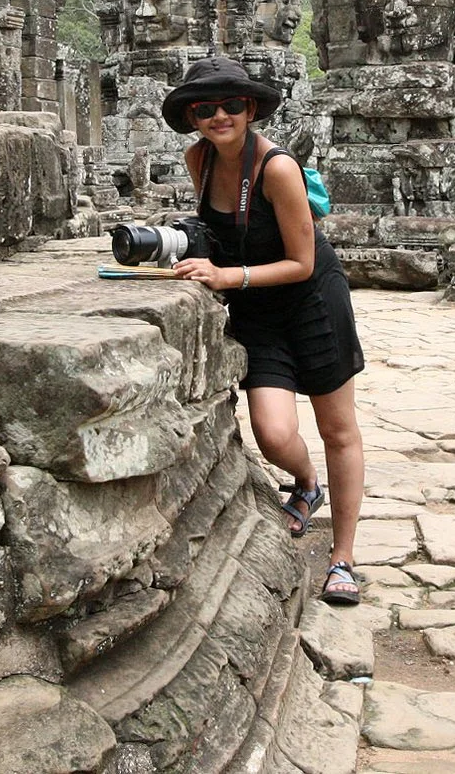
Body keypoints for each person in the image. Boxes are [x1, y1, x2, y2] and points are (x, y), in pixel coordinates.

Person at [161, 55, 367, 605]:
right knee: (274, 433)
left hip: (311, 300)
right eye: (204, 108)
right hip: (257, 308)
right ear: (192, 117)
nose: (218, 116)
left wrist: (228, 275)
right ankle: (306, 484)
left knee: (337, 429)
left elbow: (302, 261)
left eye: (230, 104)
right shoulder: (197, 161)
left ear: (249, 108)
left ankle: (343, 557)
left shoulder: (277, 169)